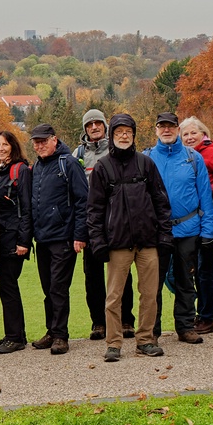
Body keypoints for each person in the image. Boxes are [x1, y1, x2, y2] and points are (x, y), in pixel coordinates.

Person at [88, 114, 171, 360]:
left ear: (134, 135)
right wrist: (98, 241)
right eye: (119, 132)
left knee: (149, 293)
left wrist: (165, 235)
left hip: (147, 241)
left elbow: (161, 202)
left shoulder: (146, 164)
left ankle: (145, 339)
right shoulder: (103, 168)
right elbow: (94, 210)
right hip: (118, 242)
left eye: (128, 132)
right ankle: (113, 343)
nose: (124, 136)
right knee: (113, 297)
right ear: (112, 135)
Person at [144, 113, 213, 344]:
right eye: (162, 126)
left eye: (171, 127)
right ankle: (151, 331)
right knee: (153, 283)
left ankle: (185, 327)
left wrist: (208, 231)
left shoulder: (193, 158)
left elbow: (205, 197)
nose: (166, 130)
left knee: (186, 281)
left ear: (177, 129)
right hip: (157, 232)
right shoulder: (146, 158)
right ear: (156, 129)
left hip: (188, 229)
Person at [73, 109, 135, 341]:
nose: (94, 127)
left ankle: (126, 320)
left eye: (99, 123)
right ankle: (99, 322)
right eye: (90, 124)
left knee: (123, 273)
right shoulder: (78, 154)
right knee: (93, 277)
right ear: (85, 129)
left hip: (118, 221)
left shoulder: (117, 149)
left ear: (106, 126)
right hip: (92, 222)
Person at [29, 123, 89, 355]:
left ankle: (61, 335)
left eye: (44, 140)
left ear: (55, 139)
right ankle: (52, 330)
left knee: (58, 287)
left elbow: (83, 201)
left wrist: (79, 235)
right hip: (42, 237)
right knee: (48, 288)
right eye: (36, 142)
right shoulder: (37, 167)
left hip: (63, 237)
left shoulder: (69, 163)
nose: (40, 145)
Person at [0, 130, 33, 354]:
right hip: (1, 238)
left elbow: (26, 208)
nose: (1, 148)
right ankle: (15, 334)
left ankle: (15, 337)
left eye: (5, 144)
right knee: (6, 286)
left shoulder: (20, 170)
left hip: (14, 239)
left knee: (8, 285)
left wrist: (24, 240)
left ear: (13, 146)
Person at [179, 116, 213, 334]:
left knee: (205, 269)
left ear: (203, 134)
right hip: (190, 221)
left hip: (209, 217)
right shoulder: (183, 156)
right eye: (185, 134)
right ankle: (197, 313)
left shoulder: (212, 153)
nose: (189, 137)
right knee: (190, 270)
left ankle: (208, 316)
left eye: (193, 133)